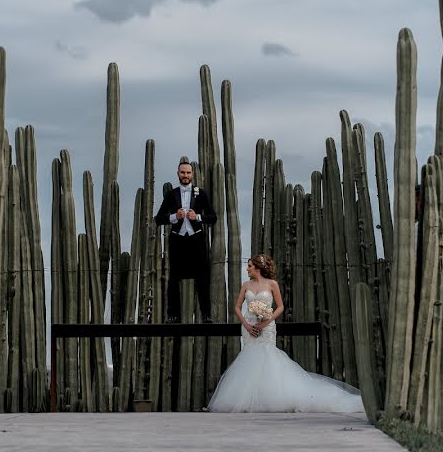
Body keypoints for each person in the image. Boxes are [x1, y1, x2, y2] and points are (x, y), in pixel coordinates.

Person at [207, 254, 364, 413]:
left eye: (250, 266)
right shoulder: (246, 285)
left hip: (266, 326)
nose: (247, 269)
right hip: (249, 325)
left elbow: (280, 307)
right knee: (249, 357)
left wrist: (266, 322)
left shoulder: (272, 284)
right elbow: (237, 307)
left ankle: (270, 397)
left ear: (258, 268)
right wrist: (246, 325)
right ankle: (250, 399)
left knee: (267, 355)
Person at [154, 161, 217, 323]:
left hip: (197, 239)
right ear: (178, 174)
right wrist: (175, 217)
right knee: (174, 278)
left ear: (192, 174)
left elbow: (213, 217)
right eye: (182, 173)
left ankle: (206, 315)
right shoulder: (171, 194)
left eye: (188, 173)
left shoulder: (201, 194)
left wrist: (197, 217)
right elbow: (159, 219)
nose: (185, 176)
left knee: (203, 277)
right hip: (177, 240)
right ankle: (173, 315)